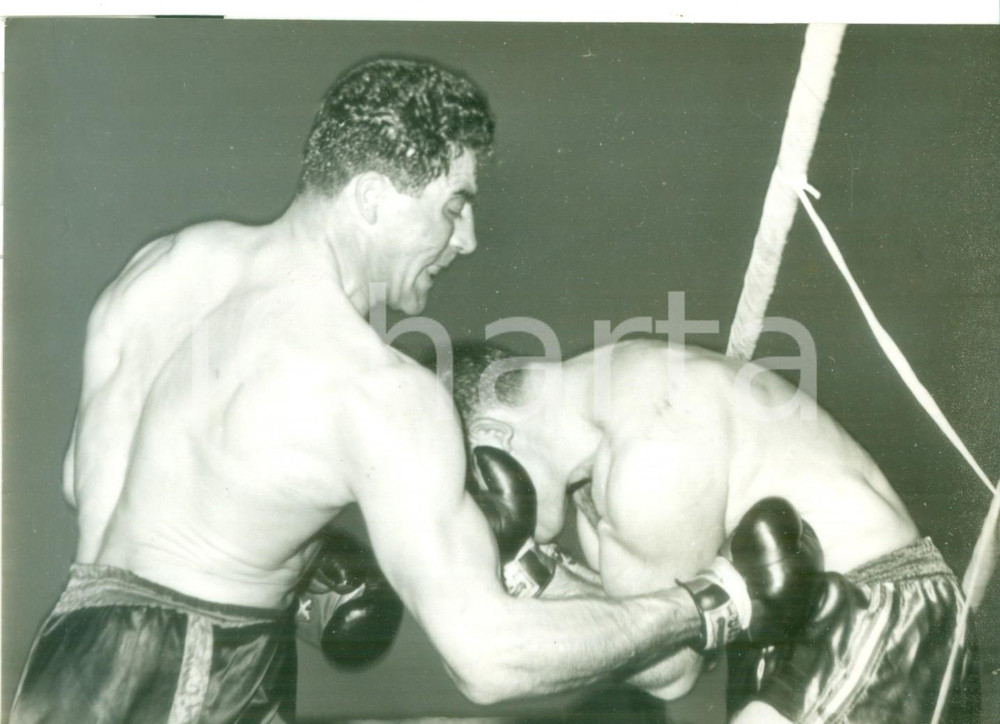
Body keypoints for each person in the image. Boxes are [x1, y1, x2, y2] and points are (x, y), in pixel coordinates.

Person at [9, 58, 820, 724]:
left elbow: (87, 482)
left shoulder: (167, 267)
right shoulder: (377, 392)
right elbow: (489, 658)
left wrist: (286, 554)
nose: (466, 241)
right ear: (369, 198)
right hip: (196, 684)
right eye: (453, 207)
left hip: (60, 662)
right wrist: (712, 602)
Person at [446, 339, 981, 723]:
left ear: (492, 438)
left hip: (871, 613)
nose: (481, 518)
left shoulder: (647, 458)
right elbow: (648, 624)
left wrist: (527, 571)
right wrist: (536, 570)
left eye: (469, 491)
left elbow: (670, 670)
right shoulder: (613, 398)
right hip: (799, 632)